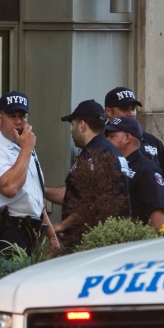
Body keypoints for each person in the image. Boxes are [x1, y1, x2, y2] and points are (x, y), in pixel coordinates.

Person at [0, 91, 59, 255]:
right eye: (12, 116)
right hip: (6, 233)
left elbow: (33, 195)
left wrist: (51, 235)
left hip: (30, 232)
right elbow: (9, 188)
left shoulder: (23, 146)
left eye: (23, 116)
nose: (19, 122)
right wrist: (27, 148)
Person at [44, 100, 131, 237]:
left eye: (73, 125)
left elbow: (91, 204)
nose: (72, 131)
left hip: (94, 239)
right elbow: (74, 195)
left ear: (82, 125)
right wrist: (40, 190)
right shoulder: (108, 151)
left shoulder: (96, 156)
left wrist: (61, 226)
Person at [104, 87, 164, 212]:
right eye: (124, 109)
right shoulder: (102, 142)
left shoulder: (153, 142)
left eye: (133, 109)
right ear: (108, 111)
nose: (131, 113)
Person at [105, 116, 164, 230]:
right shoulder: (116, 165)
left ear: (127, 138)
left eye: (112, 136)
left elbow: (158, 215)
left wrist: (148, 244)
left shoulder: (148, 170)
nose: (107, 140)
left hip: (136, 242)